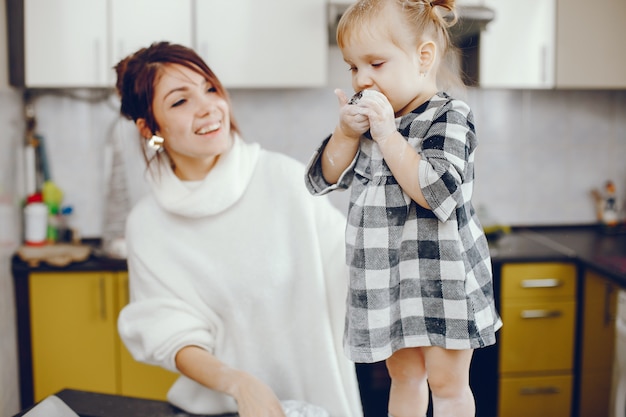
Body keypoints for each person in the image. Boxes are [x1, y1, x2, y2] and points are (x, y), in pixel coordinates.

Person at [114, 41, 363, 417]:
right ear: (150, 128)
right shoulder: (148, 225)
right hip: (219, 411)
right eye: (180, 101)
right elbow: (172, 336)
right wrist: (240, 384)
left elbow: (352, 268)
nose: (208, 107)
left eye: (210, 89)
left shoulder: (283, 179)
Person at [304, 1, 502, 417]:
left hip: (440, 278)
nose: (362, 79)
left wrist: (388, 135)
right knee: (403, 379)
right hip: (386, 279)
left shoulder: (449, 116)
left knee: (448, 386)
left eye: (375, 63)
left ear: (423, 57)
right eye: (353, 68)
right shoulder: (372, 122)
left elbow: (438, 193)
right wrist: (344, 132)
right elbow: (321, 179)